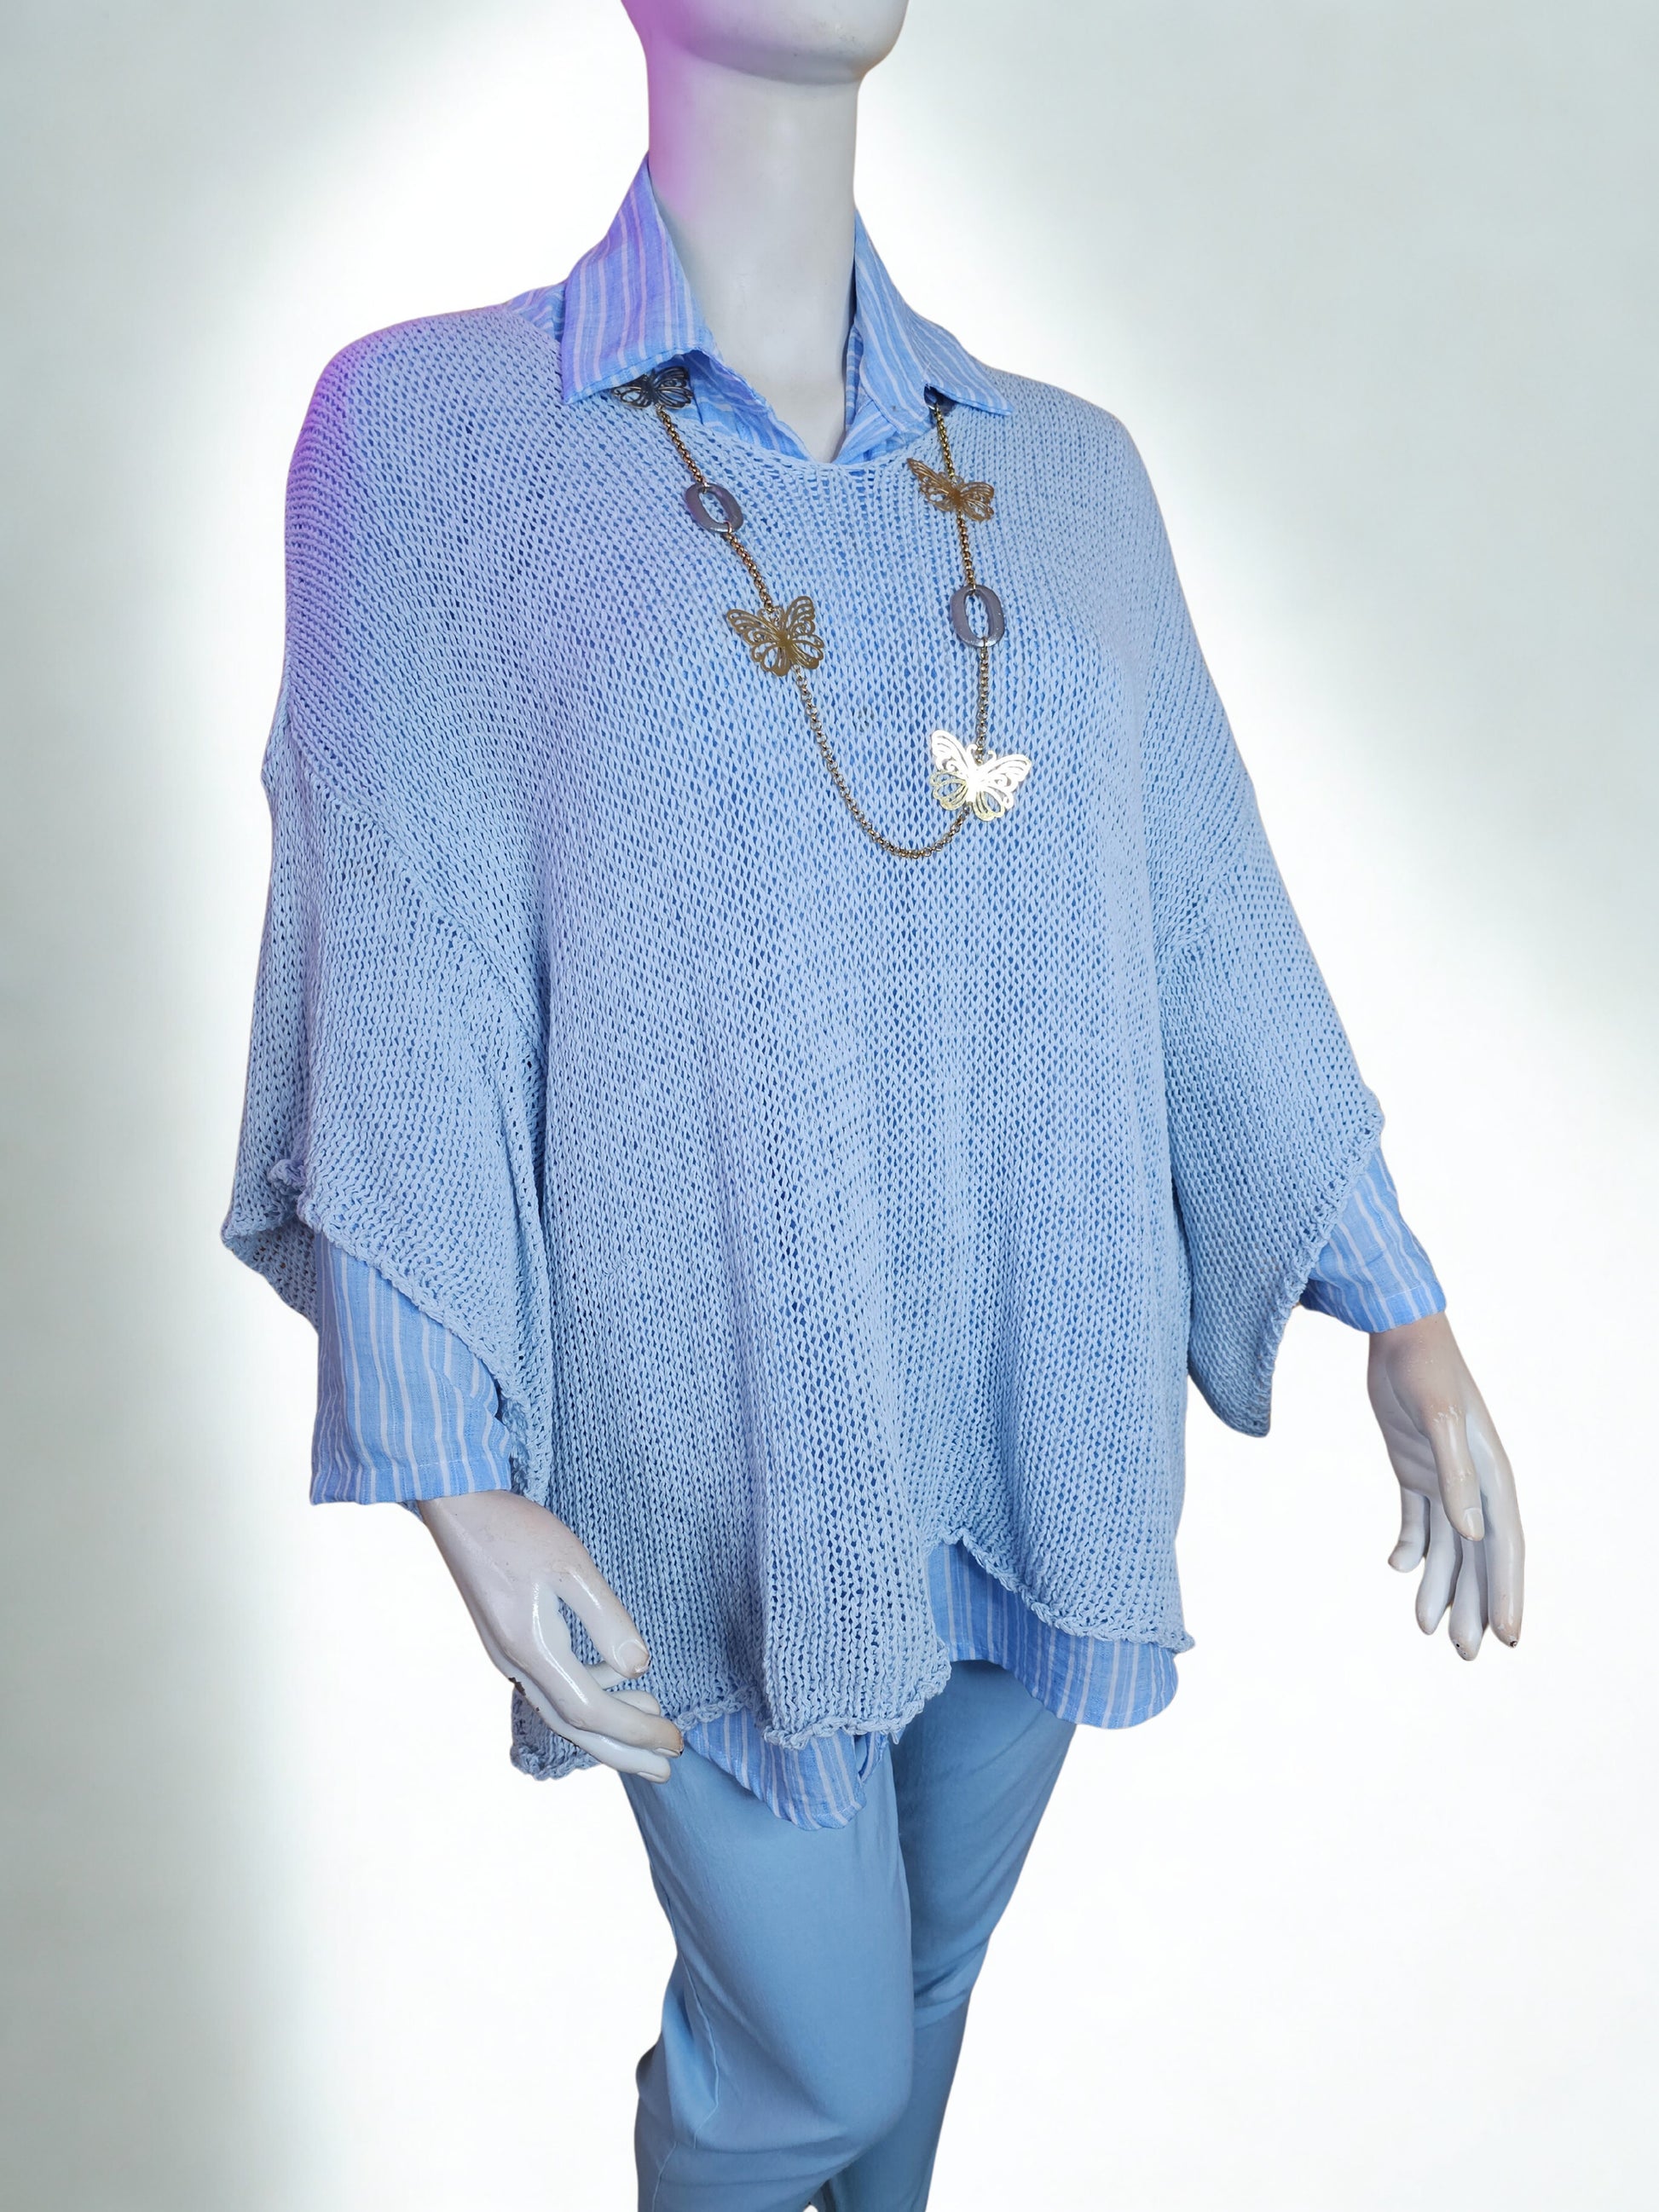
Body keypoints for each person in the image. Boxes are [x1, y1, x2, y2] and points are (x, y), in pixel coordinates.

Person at [224, 3, 1524, 2205]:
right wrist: (456, 1469)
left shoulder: (1071, 476)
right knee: (804, 2072)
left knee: (904, 2054)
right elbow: (403, 937)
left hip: (1041, 1395)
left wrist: (1397, 1302)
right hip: (715, 1432)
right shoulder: (434, 437)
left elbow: (1202, 906)